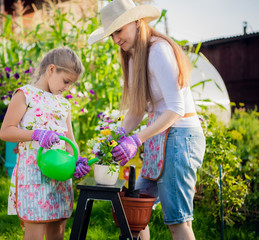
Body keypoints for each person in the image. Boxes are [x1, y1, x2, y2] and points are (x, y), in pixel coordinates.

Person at [88, 0, 206, 239]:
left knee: (178, 220)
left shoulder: (158, 50)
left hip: (180, 137)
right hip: (159, 137)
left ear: (135, 21)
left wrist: (136, 140)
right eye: (111, 35)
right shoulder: (133, 57)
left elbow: (175, 109)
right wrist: (110, 144)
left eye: (118, 31)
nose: (115, 40)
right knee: (132, 212)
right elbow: (136, 112)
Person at [0, 47, 90, 240]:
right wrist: (36, 134)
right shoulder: (25, 95)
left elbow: (70, 141)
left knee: (57, 228)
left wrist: (77, 160)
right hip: (33, 173)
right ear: (51, 70)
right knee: (35, 229)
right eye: (66, 81)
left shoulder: (63, 104)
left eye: (71, 84)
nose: (67, 88)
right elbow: (6, 131)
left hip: (60, 176)